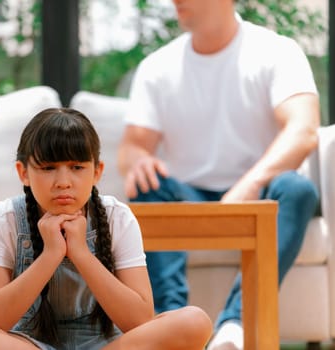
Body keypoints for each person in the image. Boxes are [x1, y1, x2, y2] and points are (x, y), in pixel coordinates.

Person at [117, 1, 320, 349]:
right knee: (147, 185)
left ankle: (234, 326)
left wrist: (251, 184)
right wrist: (137, 160)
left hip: (259, 192)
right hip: (187, 197)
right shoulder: (157, 67)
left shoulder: (277, 51)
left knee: (298, 189)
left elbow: (303, 130)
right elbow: (132, 147)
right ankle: (173, 324)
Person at [0, 108, 213, 350]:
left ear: (97, 171)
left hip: (108, 344)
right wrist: (51, 255)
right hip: (29, 343)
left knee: (194, 322)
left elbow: (138, 319)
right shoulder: (4, 218)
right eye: (48, 168)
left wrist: (80, 252)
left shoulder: (118, 217)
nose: (63, 182)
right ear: (23, 173)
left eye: (77, 167)